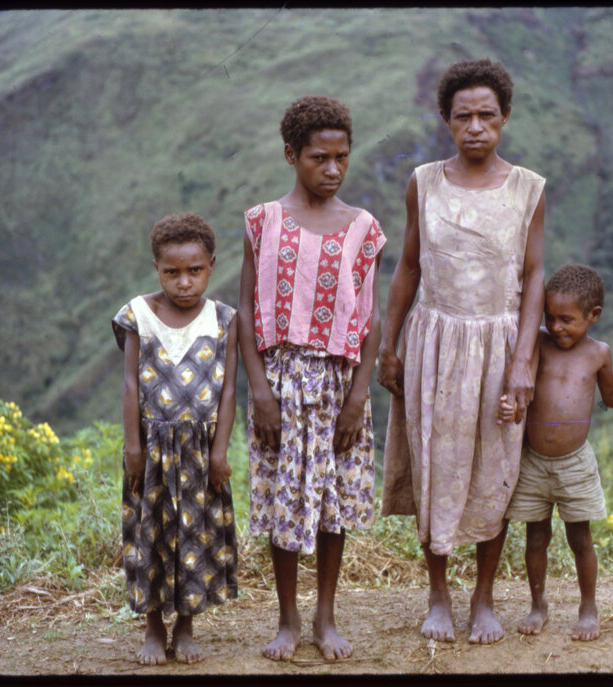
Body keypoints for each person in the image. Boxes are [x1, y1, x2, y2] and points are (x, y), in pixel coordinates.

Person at [378, 58, 546, 644]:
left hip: (498, 344)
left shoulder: (528, 188)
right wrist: (389, 345)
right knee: (436, 466)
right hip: (436, 340)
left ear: (505, 118)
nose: (476, 127)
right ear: (447, 119)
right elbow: (407, 266)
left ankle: (484, 599)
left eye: (487, 115)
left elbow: (533, 279)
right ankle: (439, 595)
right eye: (463, 116)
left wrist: (523, 363)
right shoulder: (423, 181)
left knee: (494, 467)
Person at [238, 96, 386, 661]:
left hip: (338, 383)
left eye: (341, 158)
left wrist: (357, 398)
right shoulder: (262, 221)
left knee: (331, 502)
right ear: (291, 155)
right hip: (279, 382)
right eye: (318, 157)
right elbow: (249, 310)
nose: (331, 169)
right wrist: (259, 391)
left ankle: (326, 617)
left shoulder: (363, 229)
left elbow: (370, 321)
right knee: (285, 498)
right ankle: (287, 620)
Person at [498, 264, 613, 641]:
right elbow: (523, 394)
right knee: (536, 537)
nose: (557, 327)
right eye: (550, 318)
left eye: (566, 320)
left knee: (580, 538)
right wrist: (513, 409)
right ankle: (538, 605)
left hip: (575, 464)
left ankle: (588, 607)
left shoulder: (599, 354)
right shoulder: (537, 343)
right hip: (533, 461)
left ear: (594, 316)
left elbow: (612, 398)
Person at [113, 212, 239, 665]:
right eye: (172, 272)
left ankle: (185, 627)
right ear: (157, 268)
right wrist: (133, 447)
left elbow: (228, 391)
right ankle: (152, 627)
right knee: (149, 536)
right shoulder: (138, 315)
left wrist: (220, 451)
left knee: (193, 541)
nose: (184, 282)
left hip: (199, 454)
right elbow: (130, 385)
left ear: (211, 266)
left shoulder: (225, 319)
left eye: (194, 271)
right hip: (151, 452)